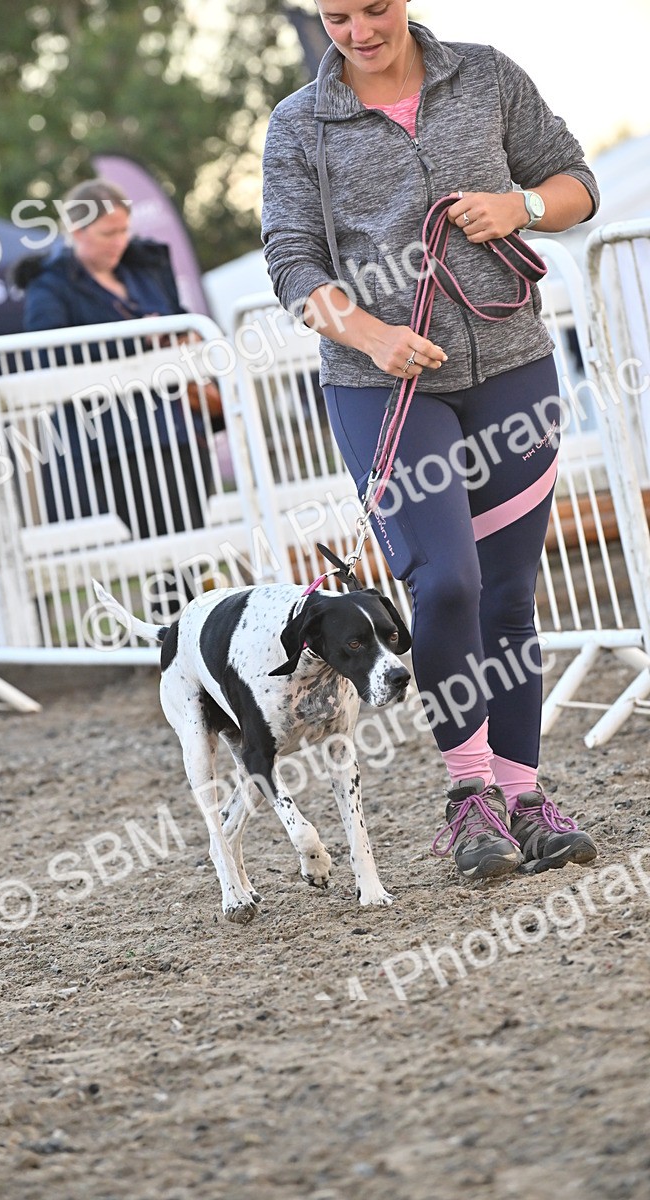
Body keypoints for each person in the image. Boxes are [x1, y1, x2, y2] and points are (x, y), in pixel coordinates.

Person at [261, 0, 600, 880]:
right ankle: (467, 798)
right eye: (337, 15)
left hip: (514, 367)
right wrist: (372, 335)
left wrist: (517, 205)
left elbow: (576, 184)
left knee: (510, 594)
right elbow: (293, 264)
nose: (360, 30)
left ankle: (524, 801)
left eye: (375, 8)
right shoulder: (300, 123)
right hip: (384, 388)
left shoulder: (484, 74)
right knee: (447, 582)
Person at [14, 179, 218, 542]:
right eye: (109, 233)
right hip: (116, 441)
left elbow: (181, 317)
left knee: (197, 542)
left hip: (180, 428)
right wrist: (132, 339)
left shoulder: (143, 268)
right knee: (163, 550)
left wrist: (183, 336)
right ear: (77, 232)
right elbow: (48, 354)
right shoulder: (48, 285)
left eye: (124, 230)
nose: (120, 242)